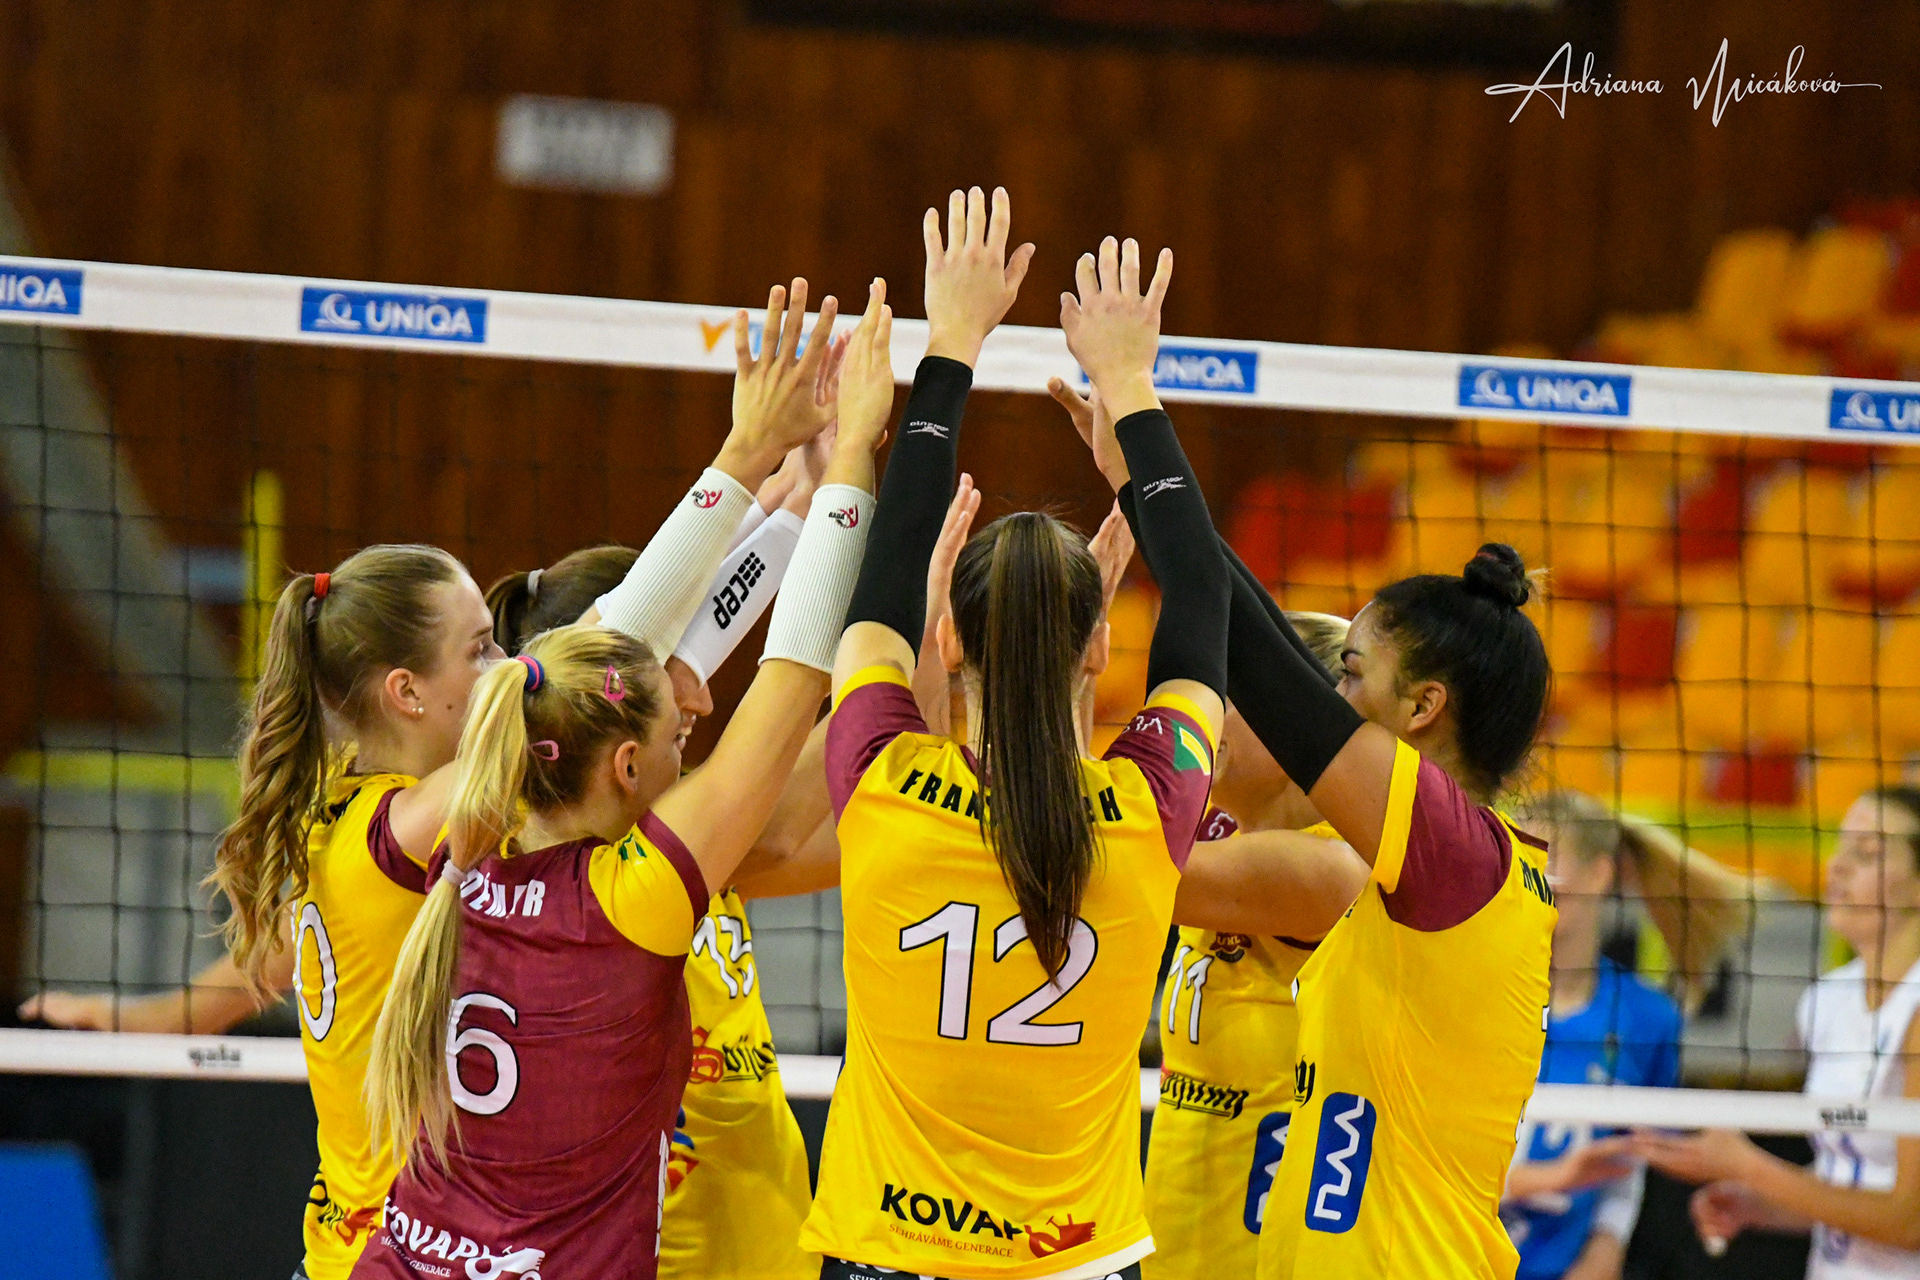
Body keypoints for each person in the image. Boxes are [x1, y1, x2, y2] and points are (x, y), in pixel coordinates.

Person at [22, 278, 852, 1280]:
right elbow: (614, 658)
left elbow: (644, 664)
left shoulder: (343, 818)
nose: (509, 667)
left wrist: (792, 499)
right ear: (408, 692)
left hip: (367, 1247)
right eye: (481, 649)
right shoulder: (409, 832)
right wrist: (754, 464)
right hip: (401, 1251)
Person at [352, 277, 892, 1280]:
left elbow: (598, 659)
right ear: (630, 764)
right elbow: (792, 677)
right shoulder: (632, 897)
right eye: (676, 733)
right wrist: (854, 455)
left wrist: (763, 462)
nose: (698, 721)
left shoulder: (461, 843)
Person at [799, 191, 1231, 1280]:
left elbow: (889, 560)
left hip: (887, 1255)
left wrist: (951, 337)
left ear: (948, 637)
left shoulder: (881, 775)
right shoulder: (1147, 810)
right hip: (1076, 1262)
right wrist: (1129, 389)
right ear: (1100, 649)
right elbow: (1205, 597)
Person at [1135, 613, 1370, 1280]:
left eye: (1228, 692)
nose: (1208, 711)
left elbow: (1101, 864)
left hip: (1264, 1260)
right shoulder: (1221, 832)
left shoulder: (1329, 867)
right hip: (1178, 1247)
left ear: (1297, 718)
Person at [1637, 786, 1920, 1279]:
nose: (1837, 866)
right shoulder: (1827, 1000)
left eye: (1867, 853)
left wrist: (1750, 1167)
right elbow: (1850, 1178)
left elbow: (1909, 1220)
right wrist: (1763, 1205)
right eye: (1840, 847)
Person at [1500, 792, 1744, 1280]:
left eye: (1546, 859)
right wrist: (1549, 1178)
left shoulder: (1647, 1019)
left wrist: (1606, 1248)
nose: (1530, 877)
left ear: (1599, 874)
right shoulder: (1476, 997)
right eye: (1518, 859)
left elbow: (1628, 1160)